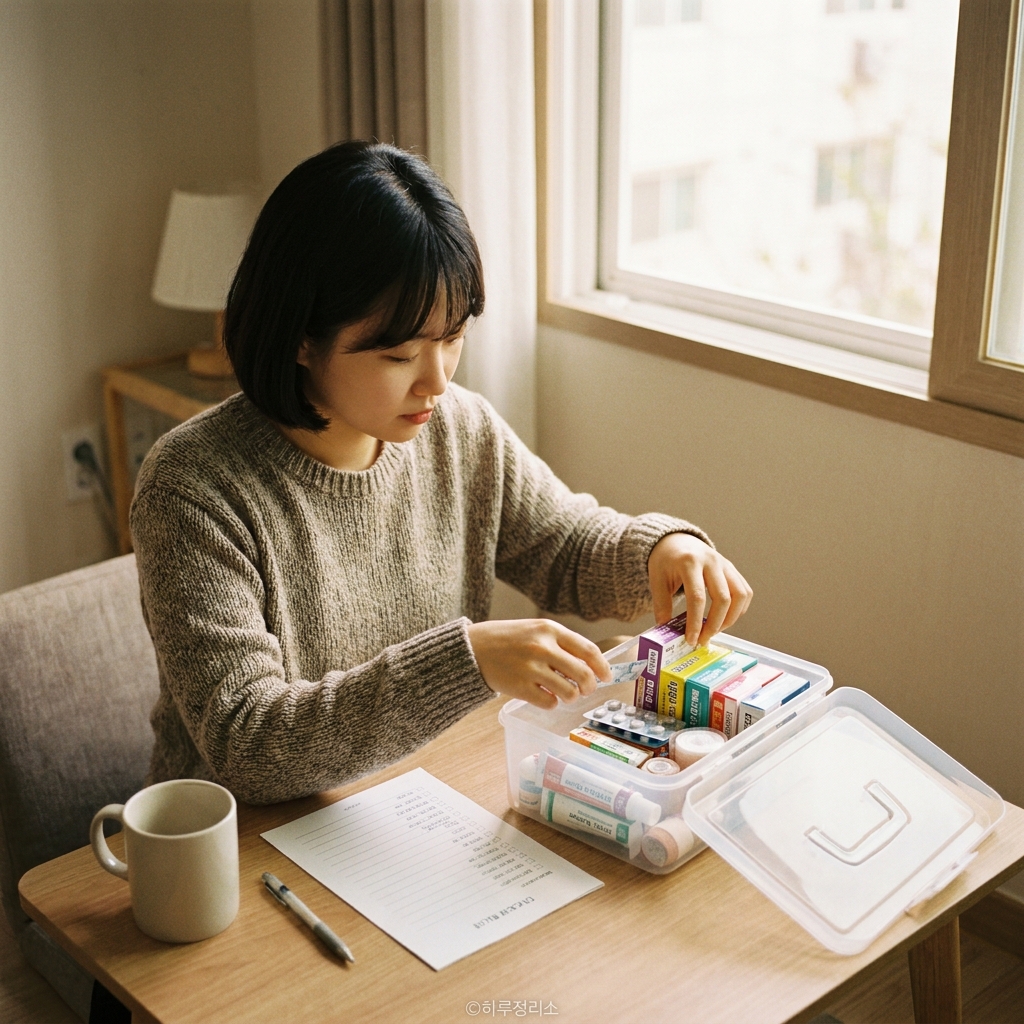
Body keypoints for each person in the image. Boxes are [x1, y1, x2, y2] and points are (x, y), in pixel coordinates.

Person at [130, 141, 752, 805]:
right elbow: (248, 745)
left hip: (425, 800)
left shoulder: (459, 429)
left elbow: (563, 547)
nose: (437, 379)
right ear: (301, 338)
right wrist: (467, 663)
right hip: (241, 844)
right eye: (398, 355)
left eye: (453, 336)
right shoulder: (192, 488)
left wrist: (661, 550)